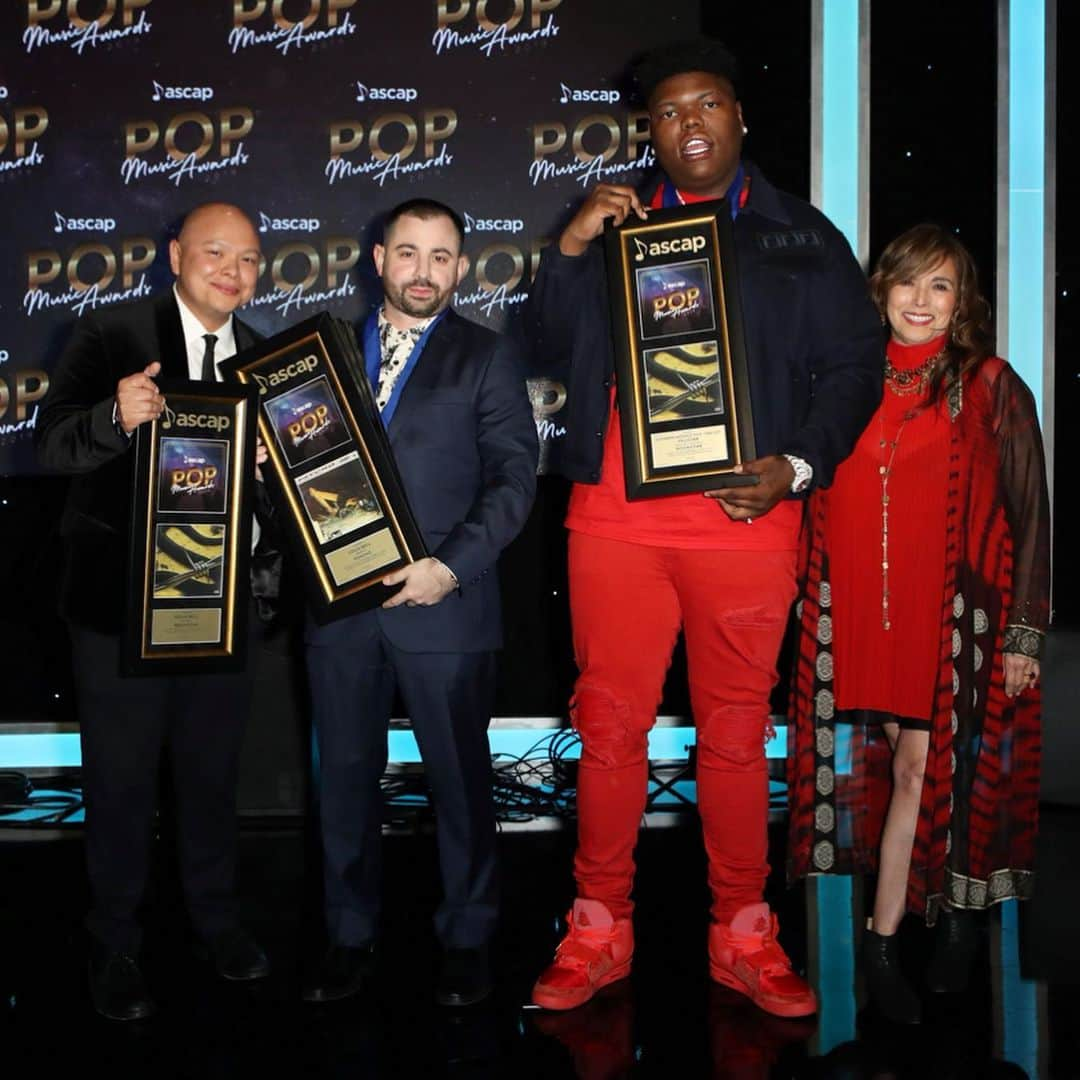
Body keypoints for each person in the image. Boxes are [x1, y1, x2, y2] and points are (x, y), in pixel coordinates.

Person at [526, 39, 883, 1015]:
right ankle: (598, 925)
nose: (691, 124)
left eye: (709, 105)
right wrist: (567, 249)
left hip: (746, 519)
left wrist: (797, 465)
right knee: (608, 727)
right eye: (672, 111)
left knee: (733, 732)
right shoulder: (610, 226)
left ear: (738, 118)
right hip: (615, 518)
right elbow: (543, 344)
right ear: (652, 128)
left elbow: (856, 368)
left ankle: (743, 931)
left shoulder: (800, 235)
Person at [786, 224, 1049, 1024]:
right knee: (901, 774)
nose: (922, 302)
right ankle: (894, 942)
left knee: (930, 773)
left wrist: (1024, 634)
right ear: (881, 291)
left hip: (958, 622)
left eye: (941, 287)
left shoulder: (993, 385)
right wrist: (804, 590)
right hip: (865, 617)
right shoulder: (846, 381)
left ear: (962, 300)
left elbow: (1031, 515)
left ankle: (926, 928)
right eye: (908, 283)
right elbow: (811, 491)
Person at [36, 203, 275, 1021]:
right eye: (215, 252)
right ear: (177, 255)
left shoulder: (269, 358)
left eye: (247, 258)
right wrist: (114, 418)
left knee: (212, 779)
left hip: (222, 608)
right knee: (122, 783)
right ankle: (115, 941)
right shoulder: (111, 333)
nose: (232, 271)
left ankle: (218, 922)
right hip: (119, 613)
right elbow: (51, 443)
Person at [302, 198, 537, 1008]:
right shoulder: (322, 352)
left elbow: (514, 481)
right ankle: (347, 934)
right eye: (409, 253)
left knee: (460, 782)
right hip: (342, 610)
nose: (424, 272)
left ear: (461, 268)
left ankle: (468, 937)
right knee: (344, 779)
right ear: (378, 260)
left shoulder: (486, 356)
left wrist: (451, 567)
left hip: (446, 605)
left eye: (442, 257)